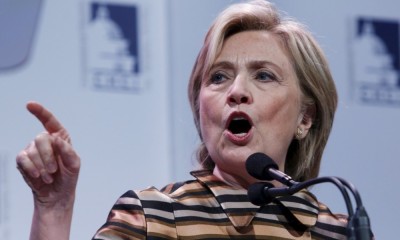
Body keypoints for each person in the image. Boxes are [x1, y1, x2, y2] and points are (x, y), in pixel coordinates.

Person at [16, 0, 352, 239]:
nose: (236, 91)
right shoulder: (153, 216)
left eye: (263, 76)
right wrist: (54, 209)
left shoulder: (342, 231)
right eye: (218, 77)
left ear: (305, 118)